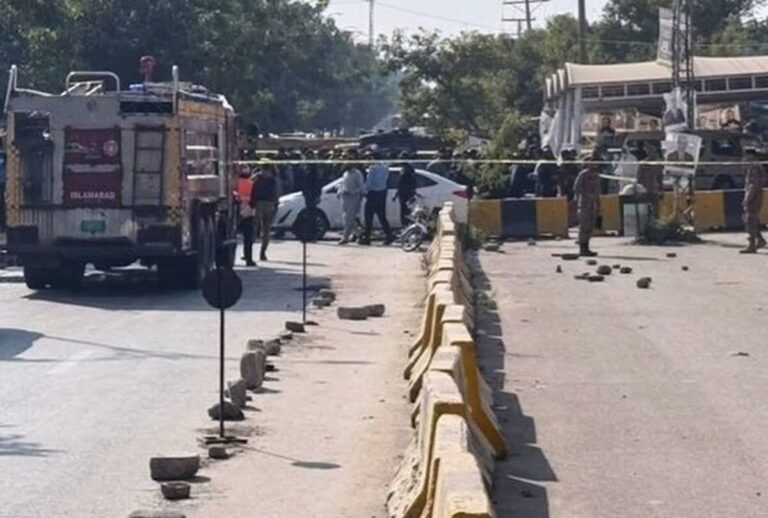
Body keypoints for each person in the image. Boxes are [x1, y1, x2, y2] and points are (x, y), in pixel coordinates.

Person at [360, 152, 394, 245]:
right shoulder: (385, 168)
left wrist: (364, 191)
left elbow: (369, 182)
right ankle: (389, 235)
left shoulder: (373, 168)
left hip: (373, 193)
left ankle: (367, 237)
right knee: (382, 216)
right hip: (382, 192)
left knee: (368, 216)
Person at [250, 164, 280, 262]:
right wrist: (276, 205)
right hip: (269, 204)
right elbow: (277, 193)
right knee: (266, 230)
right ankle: (263, 252)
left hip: (259, 204)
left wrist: (252, 202)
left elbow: (251, 189)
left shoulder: (257, 177)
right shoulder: (274, 179)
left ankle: (249, 251)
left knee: (253, 228)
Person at [573, 158, 601, 257]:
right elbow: (576, 188)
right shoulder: (583, 174)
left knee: (590, 226)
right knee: (584, 226)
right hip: (584, 203)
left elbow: (598, 191)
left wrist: (598, 203)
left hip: (593, 203)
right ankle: (582, 248)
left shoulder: (596, 175)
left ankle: (587, 247)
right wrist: (583, 196)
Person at [740, 148, 766, 254]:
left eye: (746, 155)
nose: (744, 158)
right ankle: (759, 239)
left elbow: (753, 184)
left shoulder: (754, 167)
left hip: (754, 195)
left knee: (749, 219)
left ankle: (751, 245)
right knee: (752, 219)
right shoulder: (755, 166)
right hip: (756, 194)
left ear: (751, 155)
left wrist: (748, 198)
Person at [338, 152, 365, 245]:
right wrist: (340, 191)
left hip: (354, 198)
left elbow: (361, 187)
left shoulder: (357, 174)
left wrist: (352, 192)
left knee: (349, 218)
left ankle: (345, 237)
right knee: (346, 218)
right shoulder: (345, 173)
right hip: (345, 198)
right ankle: (359, 233)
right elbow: (342, 184)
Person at [636, 145, 664, 218]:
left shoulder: (658, 164)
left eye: (654, 152)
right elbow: (638, 178)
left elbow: (660, 178)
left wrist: (661, 190)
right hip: (645, 189)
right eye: (652, 152)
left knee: (655, 210)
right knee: (645, 210)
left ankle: (655, 222)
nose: (654, 154)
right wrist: (639, 189)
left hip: (654, 189)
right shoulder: (642, 164)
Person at [236, 167, 256, 266]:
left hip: (237, 211)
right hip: (248, 213)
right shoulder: (251, 184)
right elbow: (255, 198)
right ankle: (248, 259)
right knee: (248, 238)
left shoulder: (235, 183)